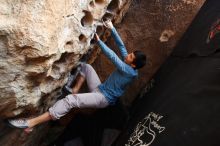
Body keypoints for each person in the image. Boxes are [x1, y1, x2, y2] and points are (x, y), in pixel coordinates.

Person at [8, 20, 147, 132]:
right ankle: (75, 89)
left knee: (70, 101)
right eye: (130, 54)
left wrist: (99, 42)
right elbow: (122, 47)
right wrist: (112, 29)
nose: (127, 55)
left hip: (102, 98)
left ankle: (30, 123)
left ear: (133, 65)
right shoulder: (129, 64)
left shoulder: (129, 71)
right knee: (86, 67)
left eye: (130, 56)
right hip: (100, 88)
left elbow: (113, 57)